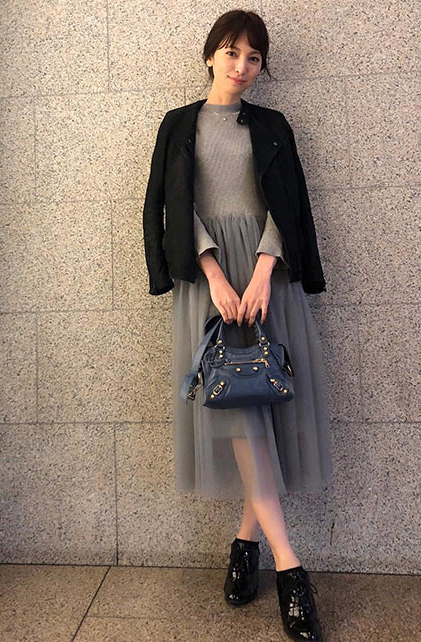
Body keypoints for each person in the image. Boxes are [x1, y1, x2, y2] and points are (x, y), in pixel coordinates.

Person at [142, 10, 332, 642]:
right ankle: (290, 567)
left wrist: (262, 272)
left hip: (266, 276)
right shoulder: (178, 124)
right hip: (210, 281)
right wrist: (215, 275)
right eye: (231, 52)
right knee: (242, 413)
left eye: (254, 57)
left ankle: (247, 546)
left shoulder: (273, 125)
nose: (242, 66)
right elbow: (171, 205)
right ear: (209, 55)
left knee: (260, 411)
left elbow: (290, 202)